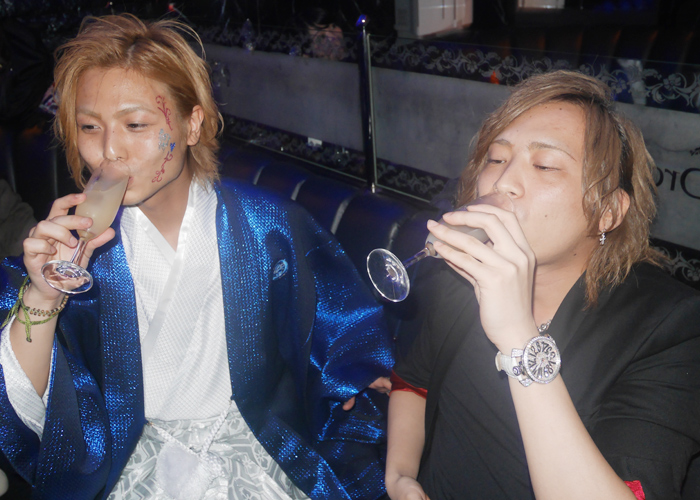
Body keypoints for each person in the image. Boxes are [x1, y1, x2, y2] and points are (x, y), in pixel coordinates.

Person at [0, 14, 393, 500]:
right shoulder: (76, 251)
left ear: (192, 124)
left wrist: (353, 378)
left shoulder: (266, 225)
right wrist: (42, 295)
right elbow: (23, 400)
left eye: (135, 124)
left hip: (257, 450)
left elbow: (339, 330)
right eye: (89, 126)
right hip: (132, 462)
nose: (108, 151)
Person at [385, 70, 700, 500]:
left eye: (545, 164)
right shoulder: (463, 279)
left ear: (608, 211)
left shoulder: (672, 327)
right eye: (496, 159)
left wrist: (518, 338)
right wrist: (401, 476)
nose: (503, 183)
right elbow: (413, 382)